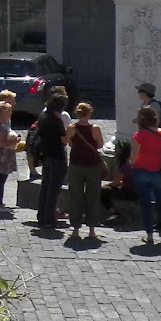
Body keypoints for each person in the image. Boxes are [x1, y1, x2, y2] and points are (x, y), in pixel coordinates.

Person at [128, 105, 161, 246]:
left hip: (141, 171)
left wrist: (130, 164)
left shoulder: (139, 135)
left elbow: (134, 158)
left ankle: (149, 235)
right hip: (158, 172)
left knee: (146, 204)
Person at [63, 101, 104, 243]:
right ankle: (92, 229)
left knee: (75, 196)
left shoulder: (71, 128)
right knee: (93, 196)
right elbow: (100, 145)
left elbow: (71, 144)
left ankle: (75, 229)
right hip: (93, 164)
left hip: (76, 164)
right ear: (89, 113)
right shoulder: (95, 128)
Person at [34, 92, 71, 230]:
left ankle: (42, 215)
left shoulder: (43, 117)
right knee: (53, 189)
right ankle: (49, 217)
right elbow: (64, 140)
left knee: (45, 187)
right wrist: (69, 132)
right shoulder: (56, 121)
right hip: (57, 156)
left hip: (46, 155)